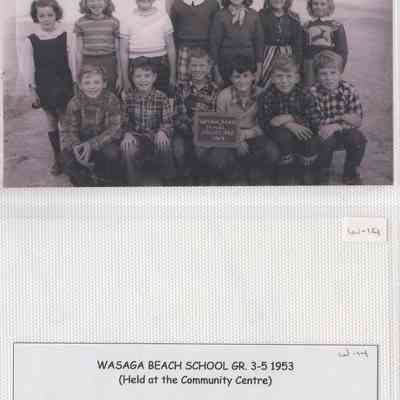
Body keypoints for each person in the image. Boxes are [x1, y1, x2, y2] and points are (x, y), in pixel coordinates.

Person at [20, 0, 75, 176]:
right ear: (36, 17)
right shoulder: (31, 40)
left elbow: (73, 61)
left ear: (56, 15)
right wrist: (32, 91)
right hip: (45, 87)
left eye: (50, 15)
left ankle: (69, 156)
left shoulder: (65, 35)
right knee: (51, 120)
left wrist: (75, 83)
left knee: (66, 121)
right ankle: (57, 157)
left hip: (64, 85)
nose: (46, 19)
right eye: (41, 15)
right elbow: (28, 68)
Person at [209, 55, 280, 184]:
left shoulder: (262, 94)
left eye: (246, 76)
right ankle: (235, 173)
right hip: (230, 136)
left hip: (254, 134)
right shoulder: (223, 96)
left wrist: (246, 134)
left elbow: (265, 123)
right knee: (217, 158)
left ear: (253, 77)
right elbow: (219, 125)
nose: (242, 81)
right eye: (237, 76)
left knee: (272, 152)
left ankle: (254, 170)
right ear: (231, 79)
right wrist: (236, 139)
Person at [258, 55, 321, 185]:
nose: (284, 81)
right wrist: (288, 124)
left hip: (303, 132)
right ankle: (285, 169)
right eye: (279, 76)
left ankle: (305, 170)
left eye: (289, 76)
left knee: (309, 137)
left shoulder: (305, 94)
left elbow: (314, 119)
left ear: (297, 78)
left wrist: (291, 118)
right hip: (281, 137)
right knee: (283, 136)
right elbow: (266, 121)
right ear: (272, 78)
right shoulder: (267, 96)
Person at [61, 65, 123, 186]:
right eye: (87, 83)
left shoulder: (111, 99)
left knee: (112, 154)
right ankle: (84, 183)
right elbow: (68, 130)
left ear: (104, 84)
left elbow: (115, 129)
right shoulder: (74, 103)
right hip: (81, 141)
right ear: (80, 85)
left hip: (104, 141)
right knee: (66, 157)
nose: (92, 86)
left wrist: (92, 144)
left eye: (96, 82)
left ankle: (108, 181)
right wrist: (76, 146)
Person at [310, 51, 366, 185]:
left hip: (342, 129)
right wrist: (343, 117)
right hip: (322, 132)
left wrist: (336, 125)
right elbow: (316, 121)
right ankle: (322, 171)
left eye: (333, 73)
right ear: (317, 76)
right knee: (326, 138)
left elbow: (357, 120)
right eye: (323, 74)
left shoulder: (349, 90)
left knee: (358, 138)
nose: (328, 78)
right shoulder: (312, 92)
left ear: (340, 73)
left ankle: (350, 172)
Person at [120, 57, 176, 185]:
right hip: (137, 136)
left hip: (155, 135)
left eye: (147, 76)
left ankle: (169, 179)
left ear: (154, 77)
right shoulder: (129, 97)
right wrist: (127, 133)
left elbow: (168, 121)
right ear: (132, 78)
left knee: (164, 143)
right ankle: (132, 181)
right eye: (138, 76)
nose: (143, 80)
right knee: (127, 148)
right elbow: (124, 120)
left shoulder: (161, 97)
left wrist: (163, 131)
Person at [173, 48, 220, 183]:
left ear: (209, 68)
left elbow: (216, 117)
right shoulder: (181, 88)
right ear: (188, 68)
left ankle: (202, 177)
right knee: (178, 150)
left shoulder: (215, 90)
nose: (197, 69)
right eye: (194, 65)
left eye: (201, 65)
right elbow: (177, 115)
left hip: (205, 132)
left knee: (200, 149)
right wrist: (190, 127)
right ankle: (185, 177)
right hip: (183, 131)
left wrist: (201, 129)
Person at [120, 0, 177, 97]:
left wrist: (173, 75)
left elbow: (171, 48)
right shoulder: (127, 19)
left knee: (161, 97)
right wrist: (125, 79)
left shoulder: (163, 17)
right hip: (135, 64)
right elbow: (123, 52)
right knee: (136, 98)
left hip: (160, 63)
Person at [209, 0, 264, 88]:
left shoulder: (254, 15)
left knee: (246, 92)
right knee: (227, 92)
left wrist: (259, 70)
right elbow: (214, 45)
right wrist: (216, 73)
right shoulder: (220, 15)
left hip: (249, 65)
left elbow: (259, 44)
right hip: (226, 66)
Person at [74, 0, 121, 93]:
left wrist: (120, 76)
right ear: (85, 3)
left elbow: (118, 50)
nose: (96, 3)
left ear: (106, 2)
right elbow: (79, 52)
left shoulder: (114, 22)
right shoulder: (80, 23)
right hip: (88, 61)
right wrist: (78, 74)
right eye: (91, 0)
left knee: (110, 91)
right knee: (91, 91)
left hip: (109, 61)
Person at [169, 0, 219, 84]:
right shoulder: (177, 5)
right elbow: (173, 32)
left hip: (205, 49)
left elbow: (216, 31)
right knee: (183, 83)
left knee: (206, 82)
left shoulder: (212, 4)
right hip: (184, 49)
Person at [258, 0, 302, 90]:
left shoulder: (293, 17)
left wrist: (297, 62)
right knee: (264, 82)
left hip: (287, 54)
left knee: (284, 79)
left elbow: (297, 44)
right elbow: (258, 39)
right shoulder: (261, 15)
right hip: (267, 54)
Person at [303, 0, 348, 86]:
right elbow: (303, 48)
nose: (319, 7)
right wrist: (303, 67)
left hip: (328, 66)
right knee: (310, 88)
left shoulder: (336, 25)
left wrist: (339, 68)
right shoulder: (306, 25)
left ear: (329, 6)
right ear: (310, 5)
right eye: (315, 4)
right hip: (310, 65)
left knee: (328, 87)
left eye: (323, 4)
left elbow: (342, 50)